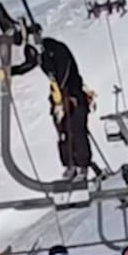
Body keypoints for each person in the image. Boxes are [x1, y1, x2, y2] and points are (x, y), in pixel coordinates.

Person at [10, 36, 101, 183]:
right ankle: (70, 165)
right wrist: (10, 71)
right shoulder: (40, 55)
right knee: (63, 133)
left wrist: (63, 91)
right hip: (58, 95)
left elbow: (64, 70)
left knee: (77, 131)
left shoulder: (56, 50)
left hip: (73, 93)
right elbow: (27, 65)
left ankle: (82, 167)